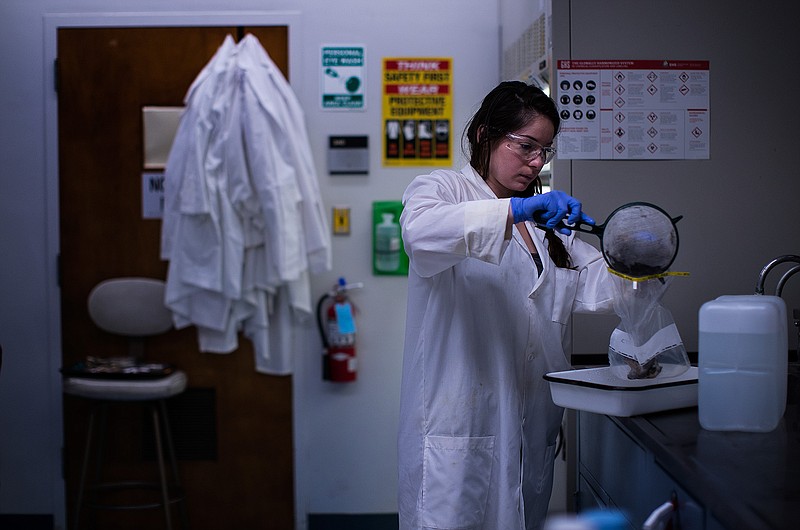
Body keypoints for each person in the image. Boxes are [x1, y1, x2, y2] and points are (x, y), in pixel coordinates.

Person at [397, 81, 615, 530]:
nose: (536, 162)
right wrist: (514, 211)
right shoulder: (443, 189)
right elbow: (420, 236)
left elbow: (605, 286)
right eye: (526, 146)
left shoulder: (547, 231)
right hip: (459, 429)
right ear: (484, 135)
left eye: (545, 151)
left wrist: (635, 244)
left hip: (530, 430)